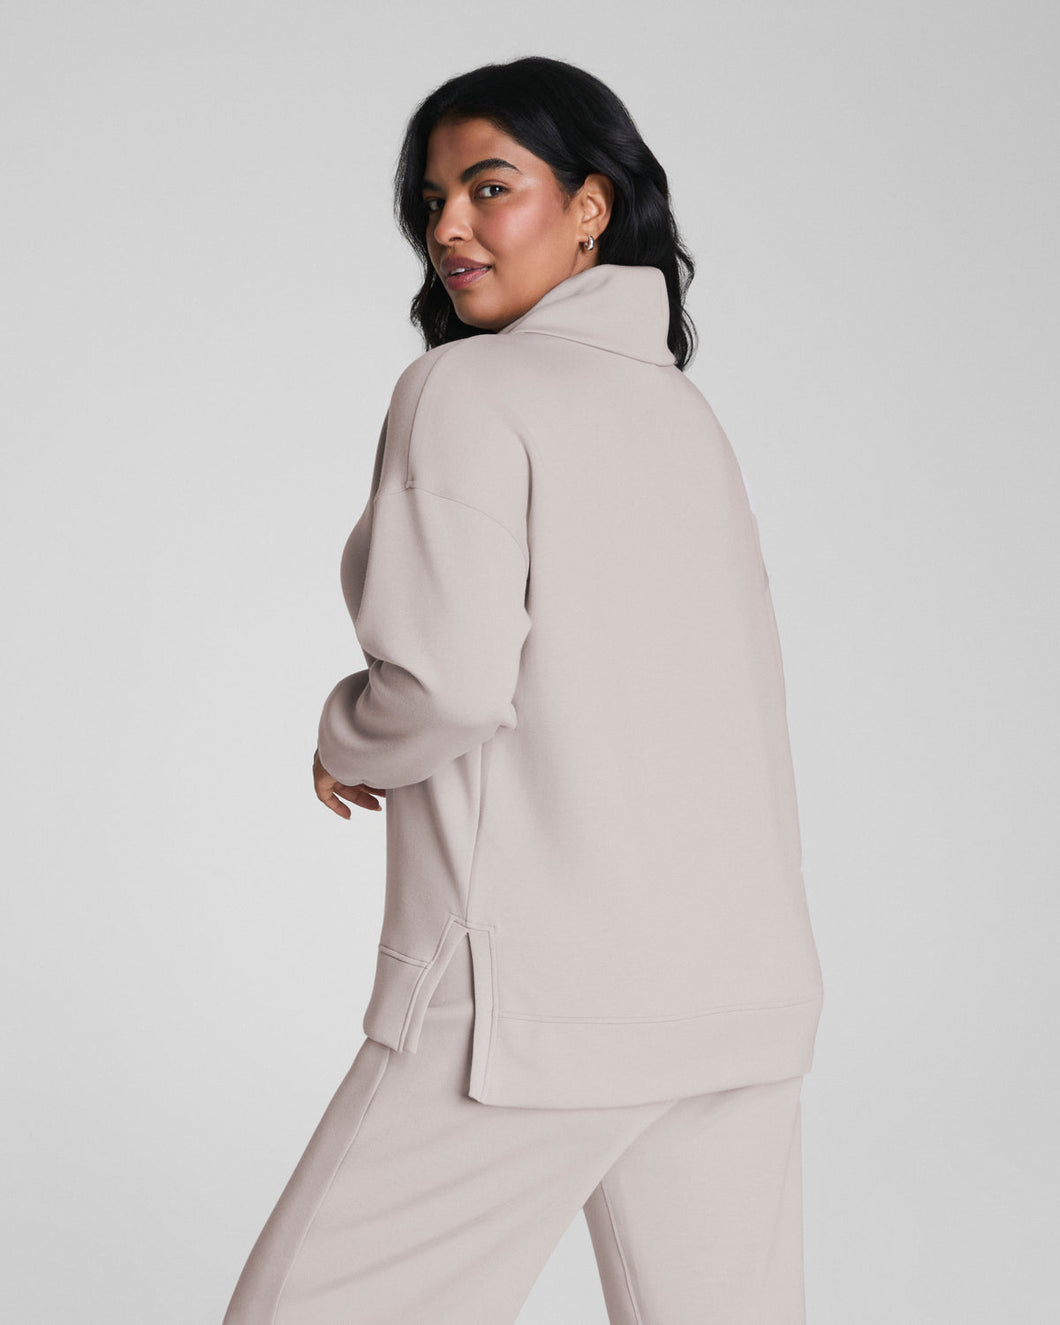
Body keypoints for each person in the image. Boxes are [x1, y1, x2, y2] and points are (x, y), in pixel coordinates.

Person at [223, 55, 825, 1324]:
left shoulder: (464, 389)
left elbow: (444, 686)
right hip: (738, 992)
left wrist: (346, 737)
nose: (449, 225)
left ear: (591, 204)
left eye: (489, 188)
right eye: (431, 201)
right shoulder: (681, 415)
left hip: (530, 1004)